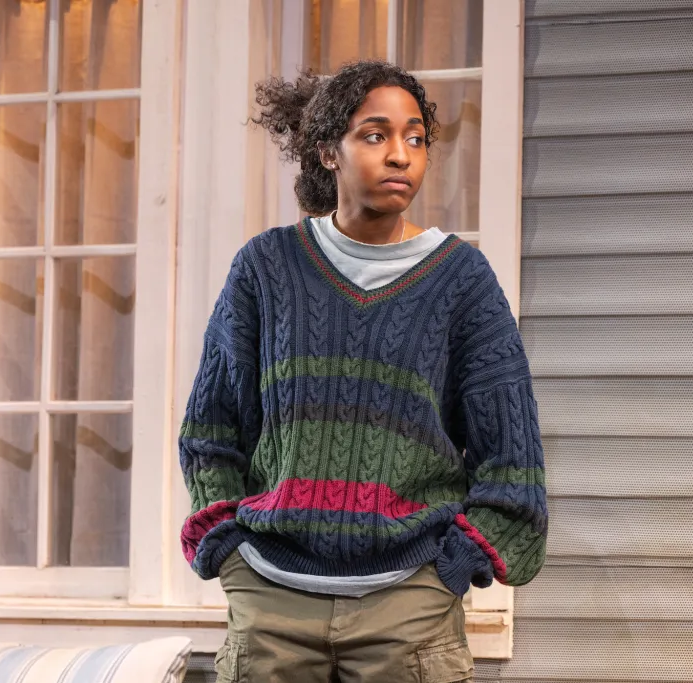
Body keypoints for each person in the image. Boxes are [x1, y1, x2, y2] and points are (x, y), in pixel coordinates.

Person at [179, 60, 547, 683]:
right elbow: (210, 429)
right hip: (272, 603)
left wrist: (454, 566)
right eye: (375, 135)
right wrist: (228, 549)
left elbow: (512, 456)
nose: (400, 154)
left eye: (415, 138)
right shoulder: (267, 268)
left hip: (409, 608)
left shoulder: (461, 281)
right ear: (329, 151)